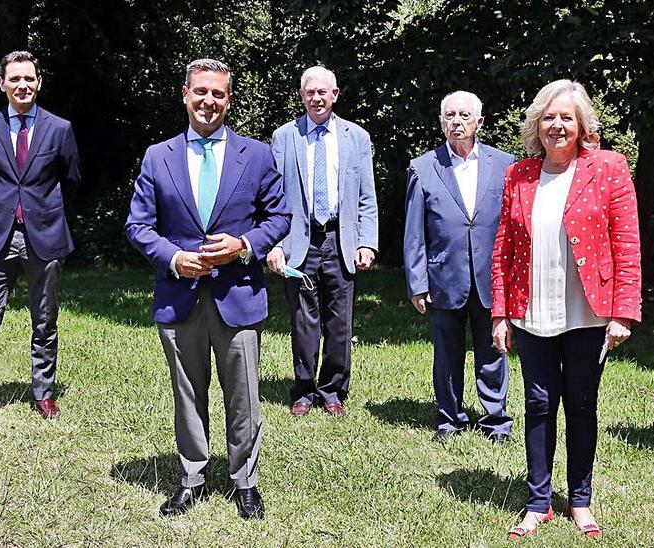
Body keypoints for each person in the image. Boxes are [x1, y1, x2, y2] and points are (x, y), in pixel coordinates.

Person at [125, 59, 289, 520]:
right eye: (200, 91)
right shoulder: (159, 156)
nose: (208, 101)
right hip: (180, 296)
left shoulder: (255, 155)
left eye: (218, 93)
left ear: (229, 99)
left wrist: (243, 246)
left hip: (238, 294)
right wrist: (174, 258)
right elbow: (138, 226)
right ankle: (192, 476)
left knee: (244, 397)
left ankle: (245, 481)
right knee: (188, 394)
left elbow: (279, 217)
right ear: (184, 94)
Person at [490, 79, 641, 540]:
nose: (557, 125)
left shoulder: (609, 168)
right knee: (537, 404)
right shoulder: (518, 174)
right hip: (532, 311)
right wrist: (500, 312)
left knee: (580, 404)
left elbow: (627, 242)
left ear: (582, 125)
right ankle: (538, 501)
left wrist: (623, 311)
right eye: (549, 117)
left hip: (588, 313)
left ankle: (580, 499)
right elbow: (504, 246)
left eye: (566, 118)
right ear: (538, 124)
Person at [0, 50, 82, 421]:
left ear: (39, 82)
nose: (22, 85)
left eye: (29, 78)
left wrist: (47, 211)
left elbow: (73, 180)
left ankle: (43, 393)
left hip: (44, 238)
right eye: (14, 79)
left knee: (44, 320)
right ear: (2, 84)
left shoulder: (59, 128)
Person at [404, 91, 516, 444]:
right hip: (443, 278)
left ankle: (496, 420)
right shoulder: (423, 168)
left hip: (491, 278)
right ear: (440, 123)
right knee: (447, 354)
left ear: (479, 122)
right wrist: (417, 282)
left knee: (494, 350)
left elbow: (515, 226)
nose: (457, 122)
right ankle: (449, 420)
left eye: (464, 115)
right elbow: (413, 233)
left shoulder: (506, 165)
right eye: (449, 115)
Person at [267, 66, 379, 417]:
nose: (316, 98)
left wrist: (367, 242)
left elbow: (366, 197)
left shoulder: (356, 137)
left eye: (322, 92)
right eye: (309, 92)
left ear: (335, 94)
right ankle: (303, 390)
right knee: (303, 320)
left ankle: (332, 391)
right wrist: (274, 243)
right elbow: (272, 197)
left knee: (339, 321)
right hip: (297, 242)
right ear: (301, 96)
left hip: (339, 238)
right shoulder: (284, 137)